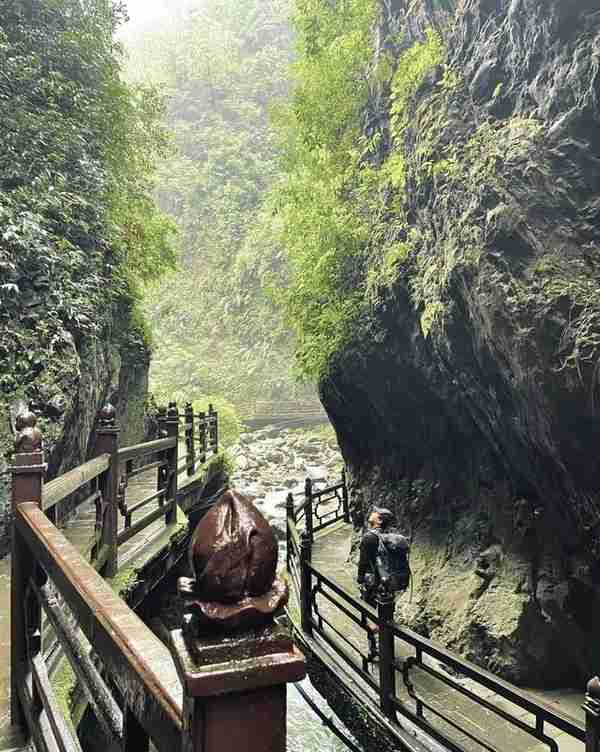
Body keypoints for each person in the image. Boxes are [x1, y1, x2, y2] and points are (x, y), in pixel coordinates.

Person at [357, 506, 410, 661]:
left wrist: (360, 579)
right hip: (388, 584)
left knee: (370, 616)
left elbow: (363, 562)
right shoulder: (389, 537)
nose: (372, 513)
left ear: (379, 520)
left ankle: (376, 650)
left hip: (373, 584)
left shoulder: (369, 538)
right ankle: (386, 649)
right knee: (386, 616)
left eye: (375, 513)